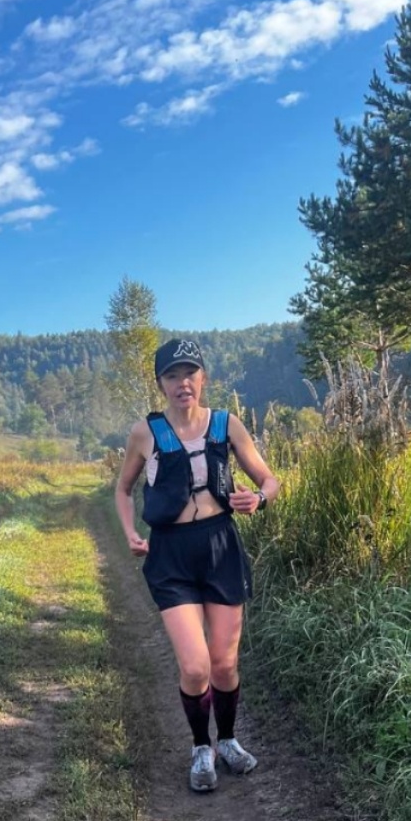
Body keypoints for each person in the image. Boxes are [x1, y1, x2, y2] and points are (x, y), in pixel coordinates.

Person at [115, 339, 279, 793]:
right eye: (172, 375)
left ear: (203, 378)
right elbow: (123, 489)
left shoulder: (227, 425)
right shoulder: (145, 433)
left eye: (190, 373)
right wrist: (130, 532)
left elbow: (269, 478)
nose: (182, 383)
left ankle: (227, 740)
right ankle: (200, 748)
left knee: (224, 664)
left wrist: (259, 498)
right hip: (170, 554)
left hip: (220, 547)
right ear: (160, 383)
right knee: (195, 666)